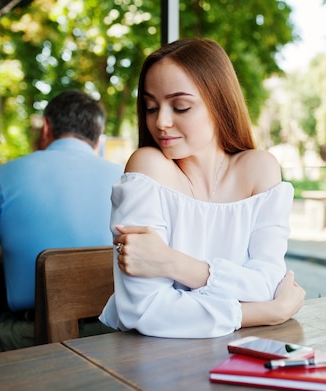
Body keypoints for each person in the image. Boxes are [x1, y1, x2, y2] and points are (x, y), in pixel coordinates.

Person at [99, 38, 305, 338]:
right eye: (151, 107)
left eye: (181, 106)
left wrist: (172, 262)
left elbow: (267, 285)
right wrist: (268, 312)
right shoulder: (148, 169)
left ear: (219, 103)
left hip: (240, 359)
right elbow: (146, 311)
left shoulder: (260, 169)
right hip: (154, 365)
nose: (161, 122)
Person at [0, 90, 124, 360]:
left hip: (33, 337)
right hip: (115, 333)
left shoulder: (3, 177)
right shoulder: (125, 178)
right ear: (98, 137)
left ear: (46, 127)